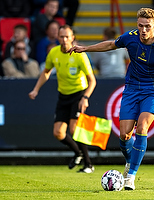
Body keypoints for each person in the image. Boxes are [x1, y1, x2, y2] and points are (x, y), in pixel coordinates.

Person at [67, 7, 154, 190]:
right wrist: (85, 48)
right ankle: (130, 162)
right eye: (140, 26)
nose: (144, 30)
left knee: (142, 126)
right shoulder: (130, 37)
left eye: (147, 26)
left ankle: (130, 176)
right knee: (124, 136)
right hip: (132, 89)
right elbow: (110, 45)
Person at [28, 25, 97, 173]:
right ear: (57, 38)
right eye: (62, 36)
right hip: (63, 95)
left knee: (74, 129)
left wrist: (85, 97)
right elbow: (46, 72)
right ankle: (77, 153)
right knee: (58, 133)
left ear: (72, 38)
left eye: (67, 36)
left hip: (78, 94)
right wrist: (36, 89)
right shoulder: (53, 52)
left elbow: (92, 80)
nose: (64, 40)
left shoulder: (79, 55)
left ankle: (88, 164)